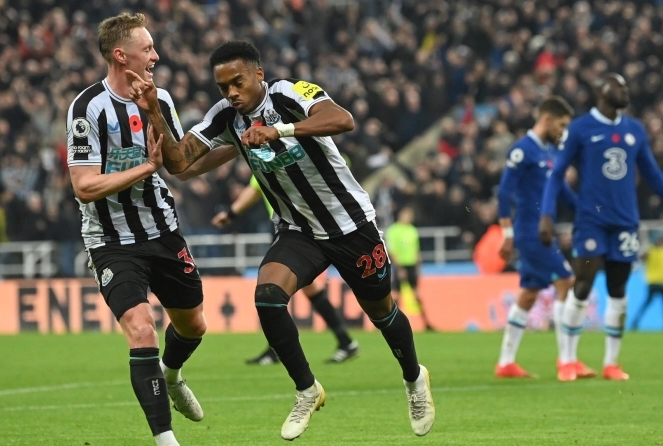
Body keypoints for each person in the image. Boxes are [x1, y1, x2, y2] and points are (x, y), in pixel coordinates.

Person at [127, 40, 434, 440]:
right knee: (268, 297)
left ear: (259, 74)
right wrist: (153, 110)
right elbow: (180, 162)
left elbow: (342, 119)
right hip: (299, 230)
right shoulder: (224, 117)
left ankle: (414, 379)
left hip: (350, 224)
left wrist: (279, 130)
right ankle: (307, 389)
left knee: (381, 312)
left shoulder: (289, 93)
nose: (231, 93)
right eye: (222, 87)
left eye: (237, 82)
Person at [66, 13, 210, 446]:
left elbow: (179, 163)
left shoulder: (160, 98)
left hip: (161, 229)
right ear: (120, 55)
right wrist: (147, 167)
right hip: (110, 240)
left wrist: (155, 115)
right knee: (142, 328)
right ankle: (166, 440)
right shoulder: (88, 108)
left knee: (194, 325)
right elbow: (84, 187)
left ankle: (172, 374)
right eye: (147, 48)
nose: (156, 56)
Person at [539, 73, 663, 381]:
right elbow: (557, 174)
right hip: (591, 221)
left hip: (625, 222)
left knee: (618, 289)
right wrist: (546, 214)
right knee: (582, 285)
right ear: (601, 91)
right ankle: (567, 359)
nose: (624, 91)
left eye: (625, 86)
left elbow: (654, 175)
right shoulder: (581, 128)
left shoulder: (634, 129)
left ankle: (611, 363)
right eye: (618, 86)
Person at [494, 97, 596, 381]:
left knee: (529, 294)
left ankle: (505, 363)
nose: (563, 132)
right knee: (566, 282)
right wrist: (507, 233)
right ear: (547, 119)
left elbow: (562, 191)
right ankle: (567, 360)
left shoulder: (550, 152)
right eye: (561, 125)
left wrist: (588, 214)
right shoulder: (523, 150)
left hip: (542, 233)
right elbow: (504, 192)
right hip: (530, 232)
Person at [208, 175, 359, 365]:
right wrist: (231, 214)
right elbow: (255, 188)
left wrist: (231, 214)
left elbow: (254, 189)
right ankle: (344, 341)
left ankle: (280, 349)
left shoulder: (271, 161)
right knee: (304, 286)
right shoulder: (267, 162)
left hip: (297, 227)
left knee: (275, 285)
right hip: (292, 225)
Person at [385, 206, 433, 331]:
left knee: (417, 295)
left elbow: (416, 250)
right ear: (400, 215)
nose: (409, 217)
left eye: (410, 215)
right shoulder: (394, 230)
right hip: (400, 265)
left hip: (411, 265)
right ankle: (391, 323)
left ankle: (426, 323)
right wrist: (399, 268)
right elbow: (392, 250)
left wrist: (418, 266)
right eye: (407, 215)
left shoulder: (412, 230)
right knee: (396, 295)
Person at [631, 231, 663, 331]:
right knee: (649, 304)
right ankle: (635, 322)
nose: (661, 241)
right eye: (659, 239)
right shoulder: (651, 251)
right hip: (653, 281)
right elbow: (641, 257)